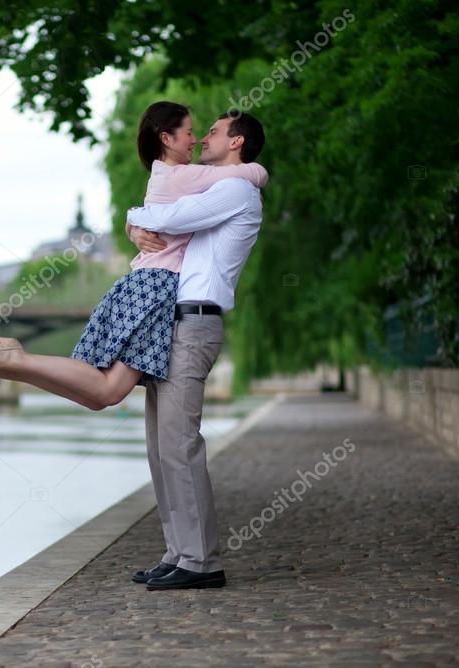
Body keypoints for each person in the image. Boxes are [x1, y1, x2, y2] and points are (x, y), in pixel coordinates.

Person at [0, 102, 266, 415]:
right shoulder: (185, 176)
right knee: (108, 390)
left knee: (97, 396)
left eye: (204, 133)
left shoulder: (166, 175)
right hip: (157, 286)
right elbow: (243, 173)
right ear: (167, 138)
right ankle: (14, 359)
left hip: (142, 283)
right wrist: (260, 171)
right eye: (189, 132)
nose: (196, 139)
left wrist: (132, 221)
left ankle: (11, 365)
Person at [125, 110, 266, 591]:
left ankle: (201, 562)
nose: (204, 136)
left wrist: (132, 219)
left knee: (180, 444)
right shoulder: (215, 185)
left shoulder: (234, 189)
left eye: (215, 131)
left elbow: (168, 216)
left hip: (195, 322)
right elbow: (166, 217)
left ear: (237, 141)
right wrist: (136, 229)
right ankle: (178, 552)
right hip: (175, 321)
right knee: (160, 446)